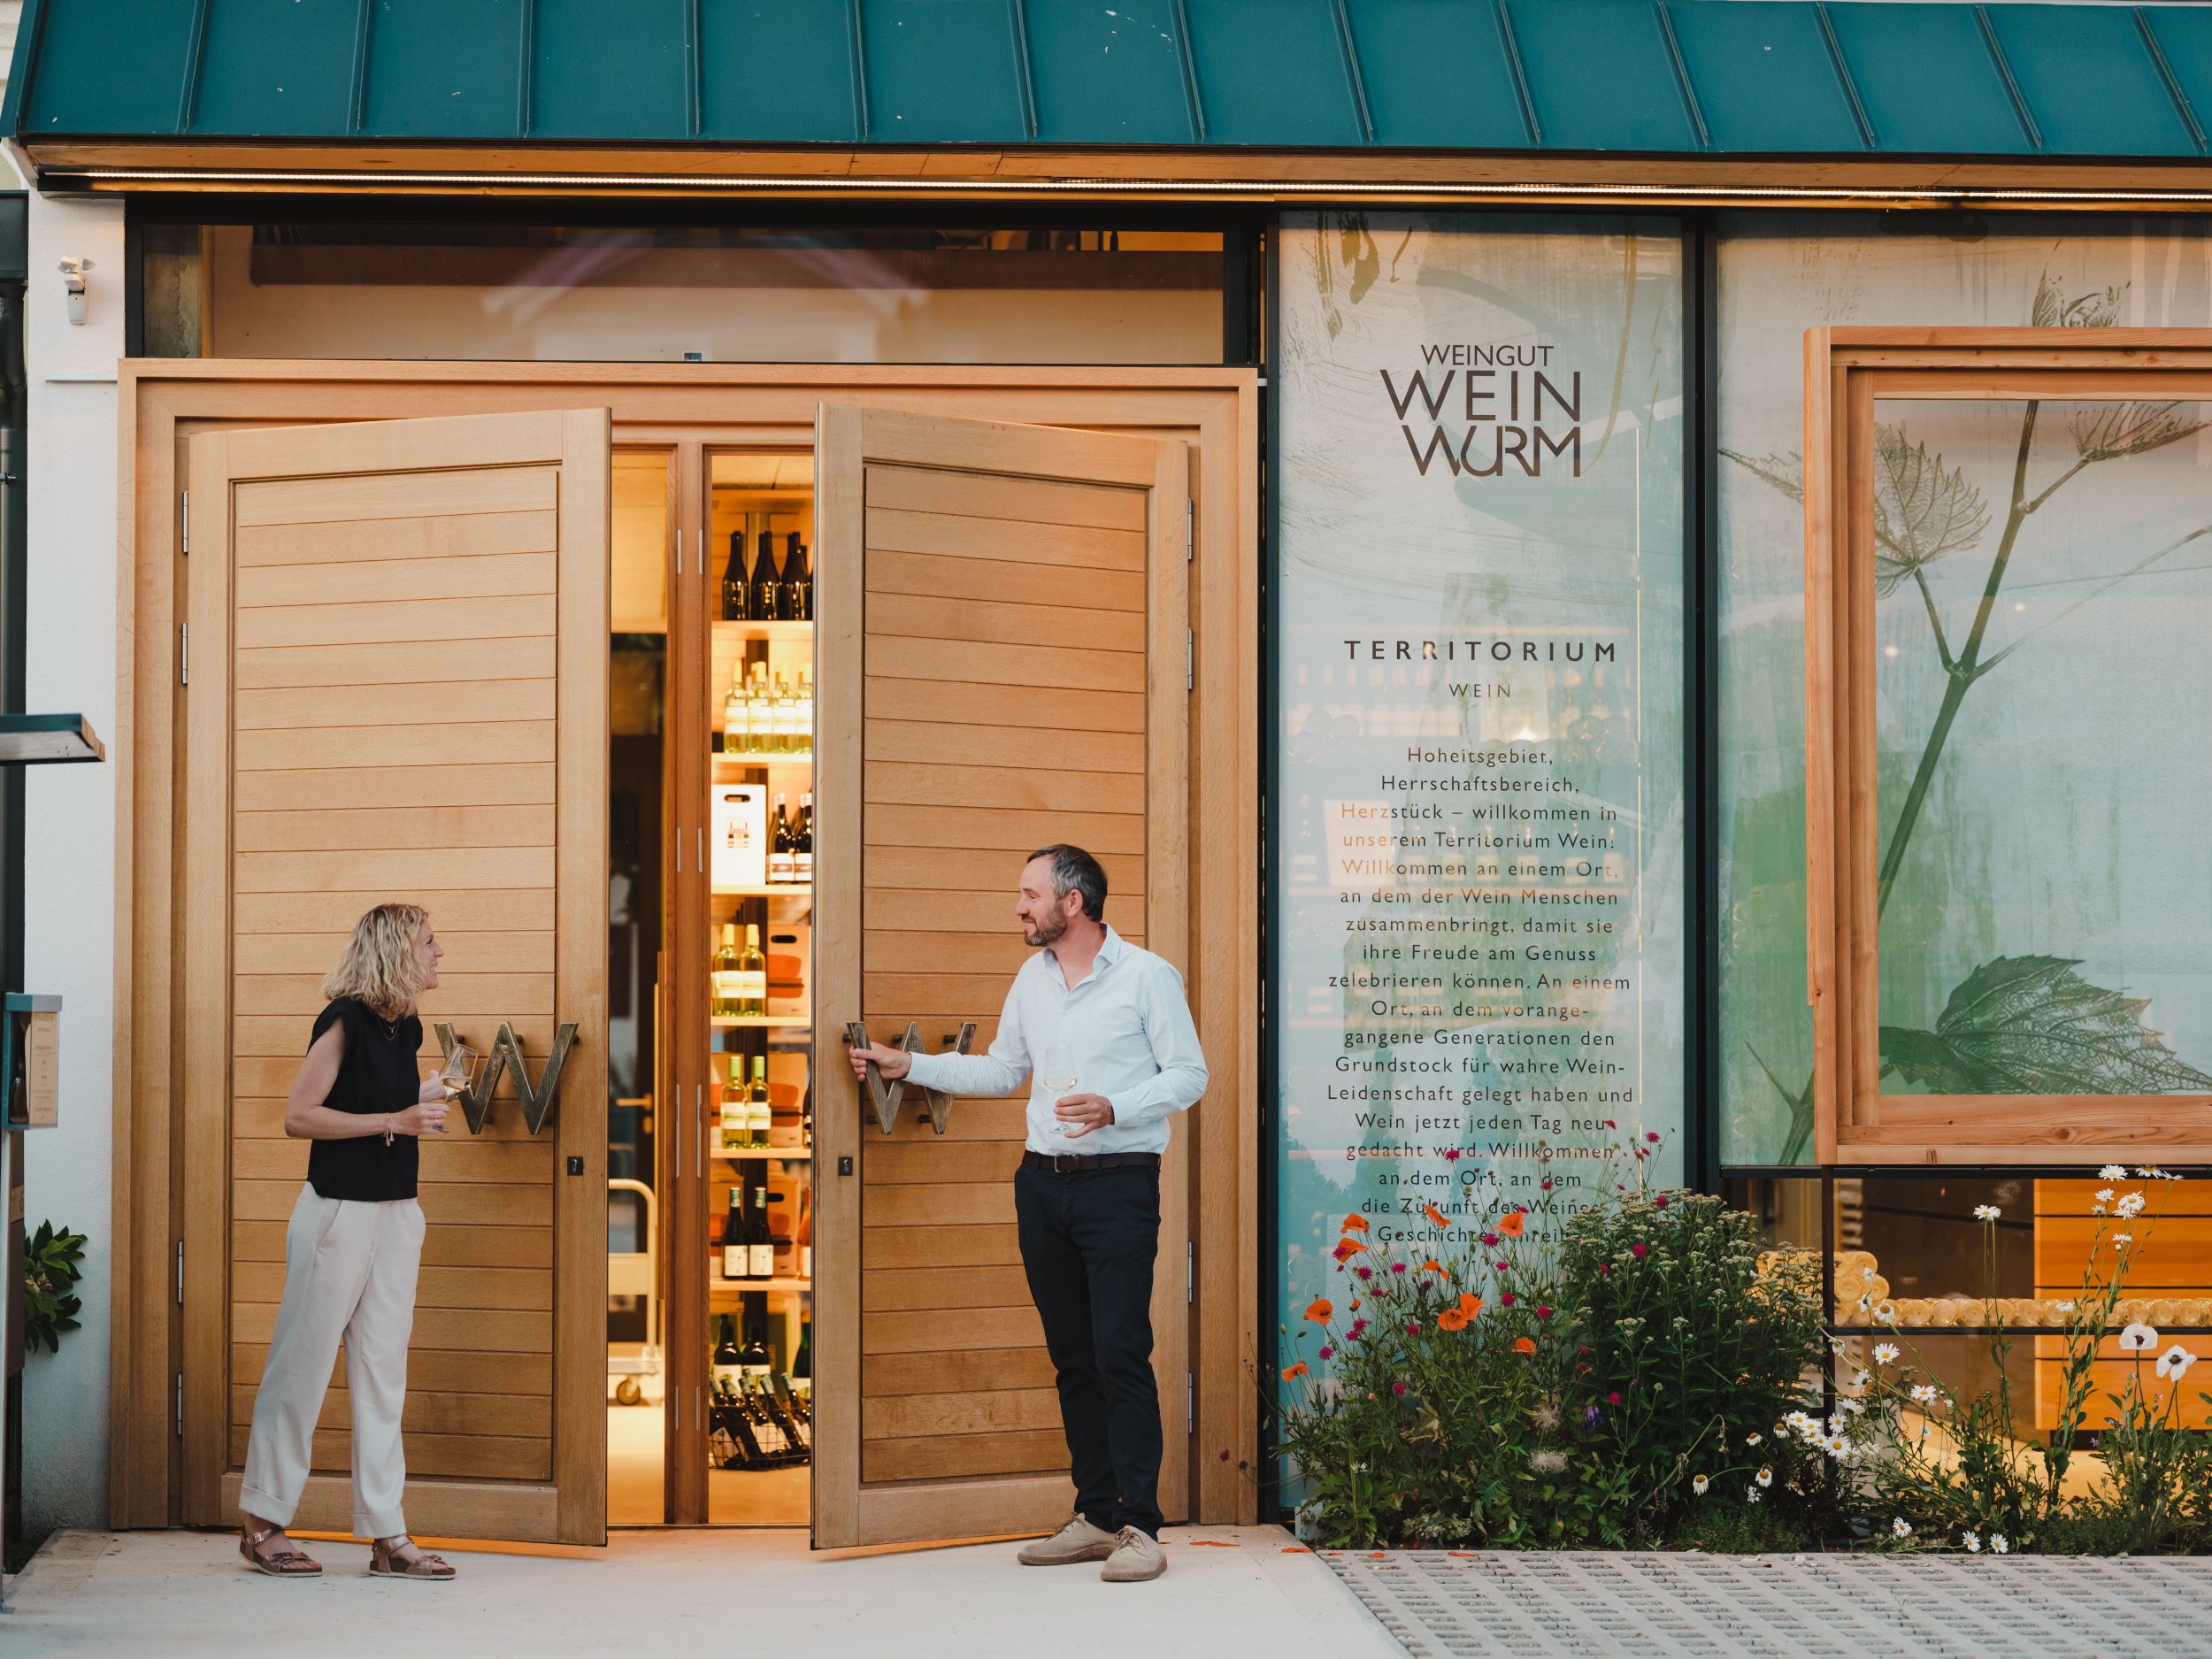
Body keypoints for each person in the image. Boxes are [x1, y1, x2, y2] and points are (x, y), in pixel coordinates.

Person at [849, 844, 1206, 1583]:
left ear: (1073, 901)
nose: (1019, 906)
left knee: (1119, 1351)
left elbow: (1189, 1074)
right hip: (1042, 1185)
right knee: (1073, 1355)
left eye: (1030, 893)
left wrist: (1116, 1105)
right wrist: (909, 1065)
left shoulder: (1147, 976)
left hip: (1119, 1184)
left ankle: (1141, 1525)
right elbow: (1004, 1069)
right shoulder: (1031, 979)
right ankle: (1096, 1514)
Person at [236, 902, 457, 1581]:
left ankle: (388, 1533)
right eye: (429, 940)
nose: (440, 951)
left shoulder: (405, 1024)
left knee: (383, 1374)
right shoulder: (344, 1021)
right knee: (302, 1366)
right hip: (337, 1214)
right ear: (395, 950)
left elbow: (381, 1100)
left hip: (396, 1213)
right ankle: (262, 1522)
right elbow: (299, 1115)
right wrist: (397, 1117)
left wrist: (427, 1092)